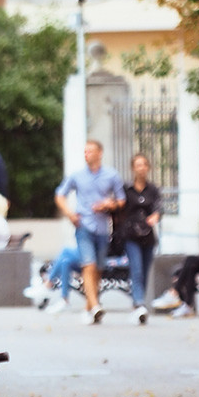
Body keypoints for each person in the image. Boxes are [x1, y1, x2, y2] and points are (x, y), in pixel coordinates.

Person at [55, 139, 125, 325]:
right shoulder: (77, 175)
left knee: (98, 269)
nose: (87, 154)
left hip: (102, 227)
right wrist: (70, 214)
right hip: (83, 225)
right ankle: (95, 306)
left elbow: (121, 200)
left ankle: (89, 308)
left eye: (90, 151)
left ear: (99, 153)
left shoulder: (111, 175)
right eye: (85, 152)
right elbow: (60, 194)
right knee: (89, 265)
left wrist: (109, 204)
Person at [116, 152, 162, 324]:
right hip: (130, 235)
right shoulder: (126, 189)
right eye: (138, 165)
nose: (141, 168)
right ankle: (139, 303)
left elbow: (159, 207)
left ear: (148, 168)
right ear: (133, 168)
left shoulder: (153, 189)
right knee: (136, 269)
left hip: (148, 236)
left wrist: (156, 216)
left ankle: (138, 303)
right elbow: (119, 207)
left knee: (144, 270)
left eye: (144, 164)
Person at [24, 244, 80, 315]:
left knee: (65, 251)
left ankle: (47, 285)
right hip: (88, 254)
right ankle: (64, 299)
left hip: (91, 257)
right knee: (65, 262)